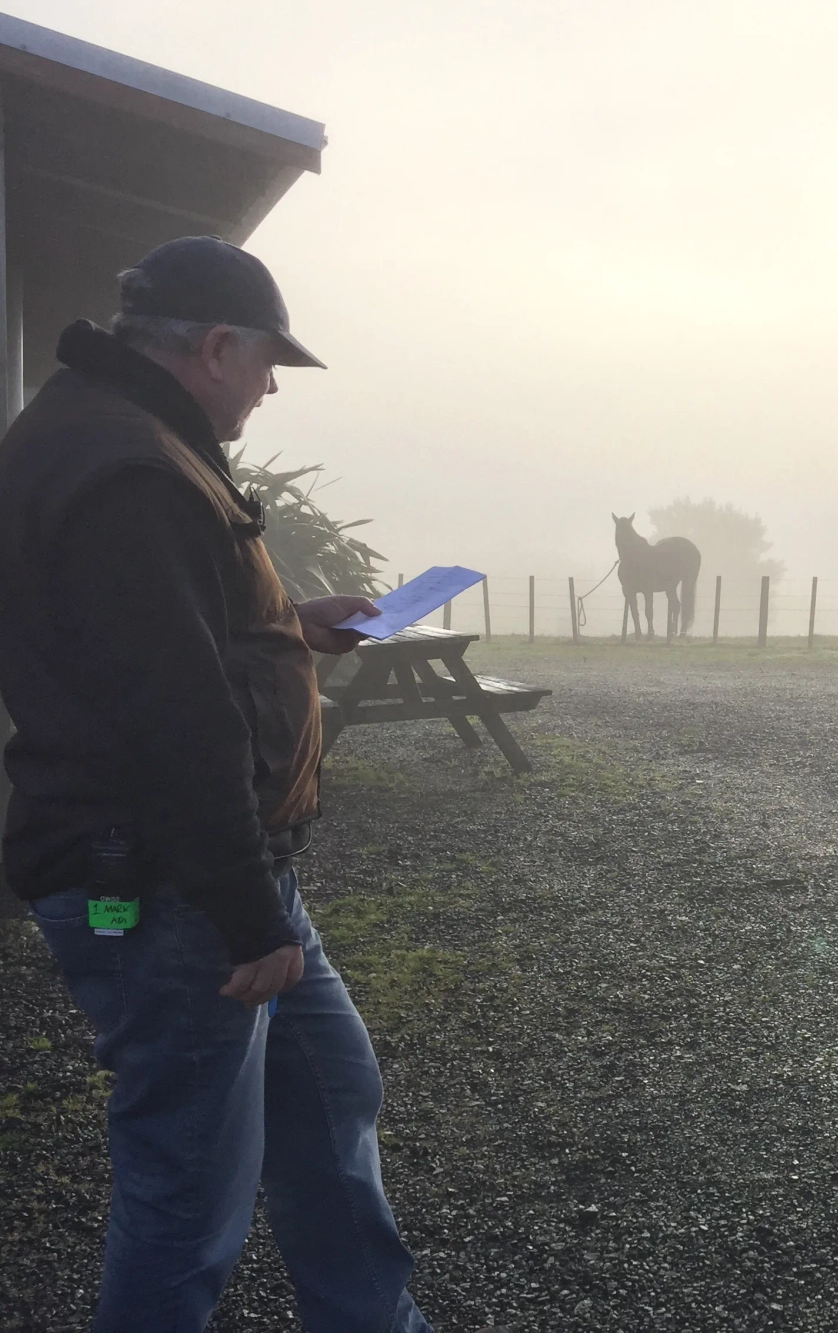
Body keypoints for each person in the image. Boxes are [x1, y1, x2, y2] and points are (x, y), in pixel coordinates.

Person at [0, 237, 434, 1332]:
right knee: (188, 1192)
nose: (272, 385)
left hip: (217, 876)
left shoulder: (115, 438)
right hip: (177, 885)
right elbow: (169, 721)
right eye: (267, 361)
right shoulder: (131, 469)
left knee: (332, 1099)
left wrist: (288, 626)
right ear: (215, 345)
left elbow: (154, 646)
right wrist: (249, 919)